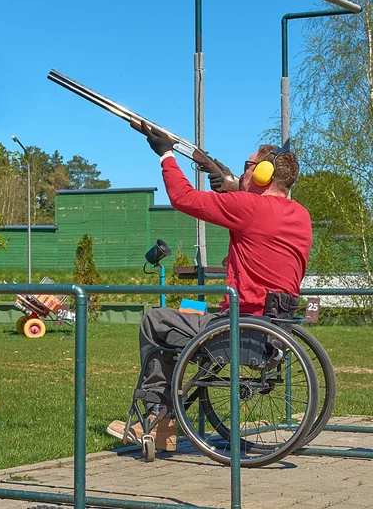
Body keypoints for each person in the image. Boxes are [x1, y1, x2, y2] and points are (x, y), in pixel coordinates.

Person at [107, 122, 312, 451]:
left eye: (247, 167)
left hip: (241, 330)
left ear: (261, 174)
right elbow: (256, 213)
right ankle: (168, 414)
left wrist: (166, 155)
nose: (243, 173)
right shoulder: (300, 214)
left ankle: (159, 419)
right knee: (186, 315)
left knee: (156, 320)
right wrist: (225, 179)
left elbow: (182, 198)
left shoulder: (249, 207)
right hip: (274, 331)